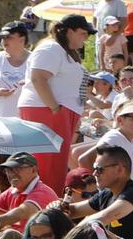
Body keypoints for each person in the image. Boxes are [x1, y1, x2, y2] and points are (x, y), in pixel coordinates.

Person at [16, 14, 92, 192]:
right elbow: (38, 78)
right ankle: (44, 206)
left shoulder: (62, 50)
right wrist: (55, 109)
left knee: (56, 165)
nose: (86, 38)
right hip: (46, 111)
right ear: (69, 31)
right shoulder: (51, 48)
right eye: (83, 33)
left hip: (56, 111)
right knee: (48, 165)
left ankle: (49, 205)